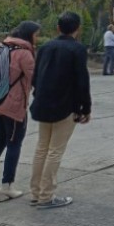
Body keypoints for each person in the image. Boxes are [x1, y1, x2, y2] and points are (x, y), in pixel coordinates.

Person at [29, 11, 92, 209]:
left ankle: (36, 192)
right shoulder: (77, 49)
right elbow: (82, 81)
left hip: (43, 104)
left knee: (42, 148)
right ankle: (46, 196)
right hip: (65, 106)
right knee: (55, 151)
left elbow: (35, 76)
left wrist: (38, 96)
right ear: (78, 29)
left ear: (58, 28)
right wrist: (85, 108)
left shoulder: (46, 47)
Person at [0, 20, 41, 203]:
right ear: (29, 35)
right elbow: (35, 78)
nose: (36, 38)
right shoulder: (24, 53)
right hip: (13, 107)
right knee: (14, 144)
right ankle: (7, 187)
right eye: (36, 34)